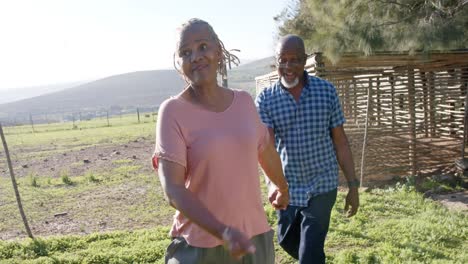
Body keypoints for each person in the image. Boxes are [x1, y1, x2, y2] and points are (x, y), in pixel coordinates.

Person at [152, 18, 290, 264]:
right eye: (185, 52)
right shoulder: (172, 111)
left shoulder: (244, 102)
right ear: (179, 62)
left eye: (202, 46)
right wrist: (223, 231)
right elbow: (172, 189)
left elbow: (265, 150)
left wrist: (282, 187)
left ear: (218, 51)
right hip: (202, 246)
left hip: (253, 240)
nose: (195, 56)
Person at [255, 35, 360, 264]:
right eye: (283, 60)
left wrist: (353, 185)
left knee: (309, 252)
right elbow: (266, 147)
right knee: (286, 240)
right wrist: (275, 186)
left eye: (295, 60)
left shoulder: (326, 92)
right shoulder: (266, 99)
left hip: (323, 184)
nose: (288, 66)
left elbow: (340, 141)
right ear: (277, 61)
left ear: (305, 61)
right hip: (287, 187)